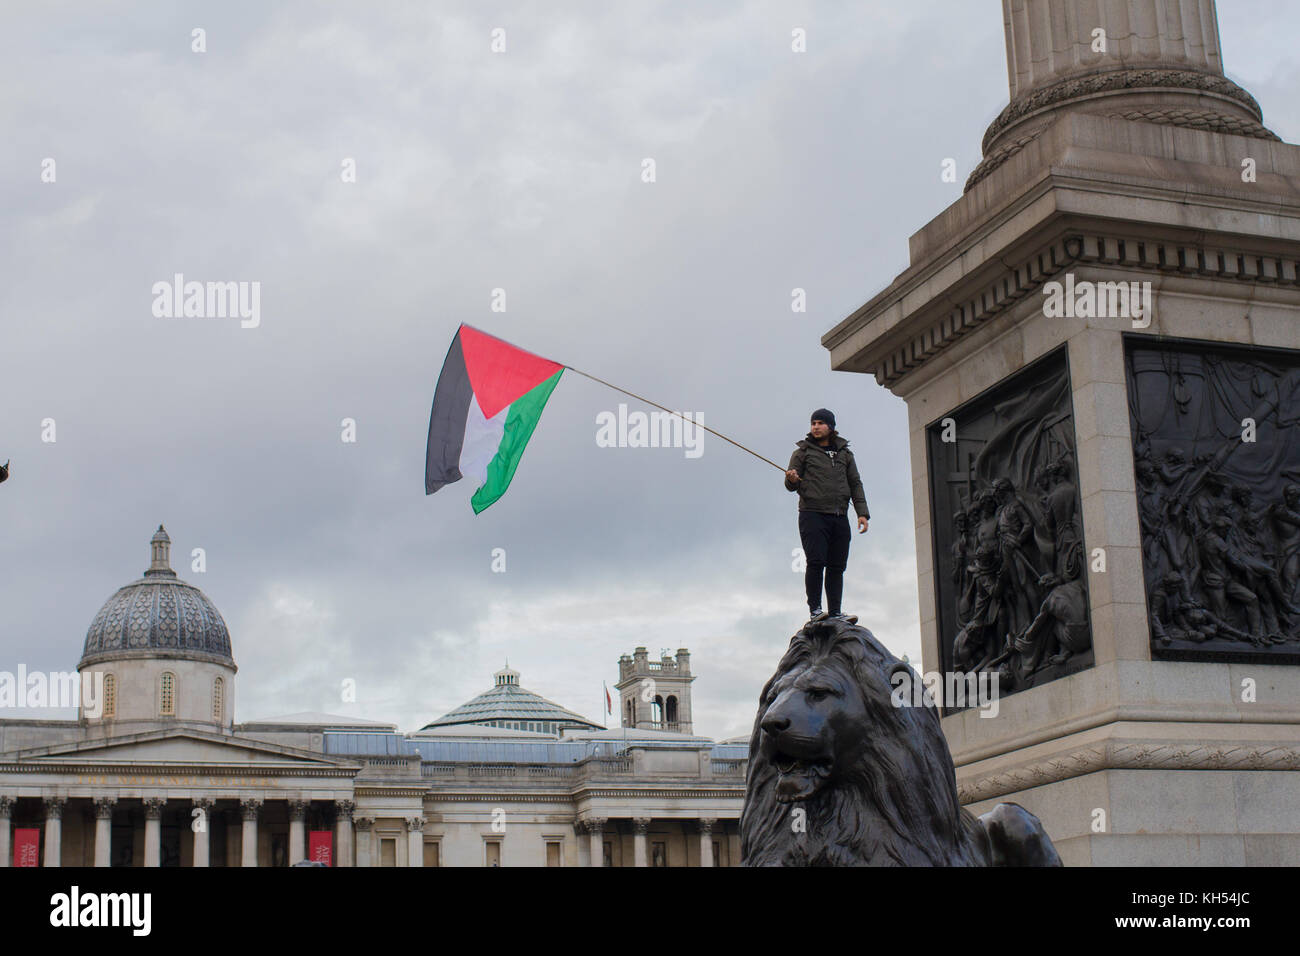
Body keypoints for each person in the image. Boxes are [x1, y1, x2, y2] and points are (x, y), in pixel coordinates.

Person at [784, 409, 869, 623]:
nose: (815, 427)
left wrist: (862, 514)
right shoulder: (802, 452)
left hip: (840, 516)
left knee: (837, 566)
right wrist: (793, 479)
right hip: (812, 514)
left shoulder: (845, 454)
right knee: (816, 561)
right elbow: (790, 485)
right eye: (813, 423)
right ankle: (815, 610)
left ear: (830, 426)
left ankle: (836, 612)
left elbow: (855, 483)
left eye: (820, 423)